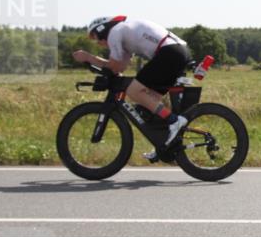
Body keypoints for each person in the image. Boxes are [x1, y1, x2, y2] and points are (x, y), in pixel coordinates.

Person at [72, 16, 191, 148]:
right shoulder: (124, 33)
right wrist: (93, 61)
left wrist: (89, 57)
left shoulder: (115, 32)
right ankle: (164, 143)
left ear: (101, 29)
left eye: (94, 37)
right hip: (176, 51)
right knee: (150, 101)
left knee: (133, 91)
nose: (97, 43)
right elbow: (120, 67)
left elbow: (115, 67)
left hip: (169, 52)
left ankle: (174, 120)